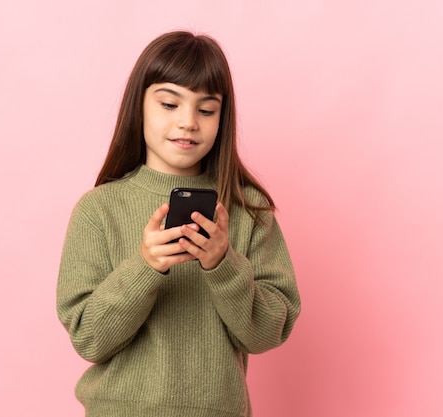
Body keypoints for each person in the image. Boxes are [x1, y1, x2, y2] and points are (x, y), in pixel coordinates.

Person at [56, 30, 301, 417]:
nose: (188, 122)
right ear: (139, 105)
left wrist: (224, 265)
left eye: (206, 110)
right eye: (170, 103)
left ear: (223, 117)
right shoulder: (98, 210)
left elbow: (268, 332)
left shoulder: (246, 209)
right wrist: (144, 268)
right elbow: (89, 339)